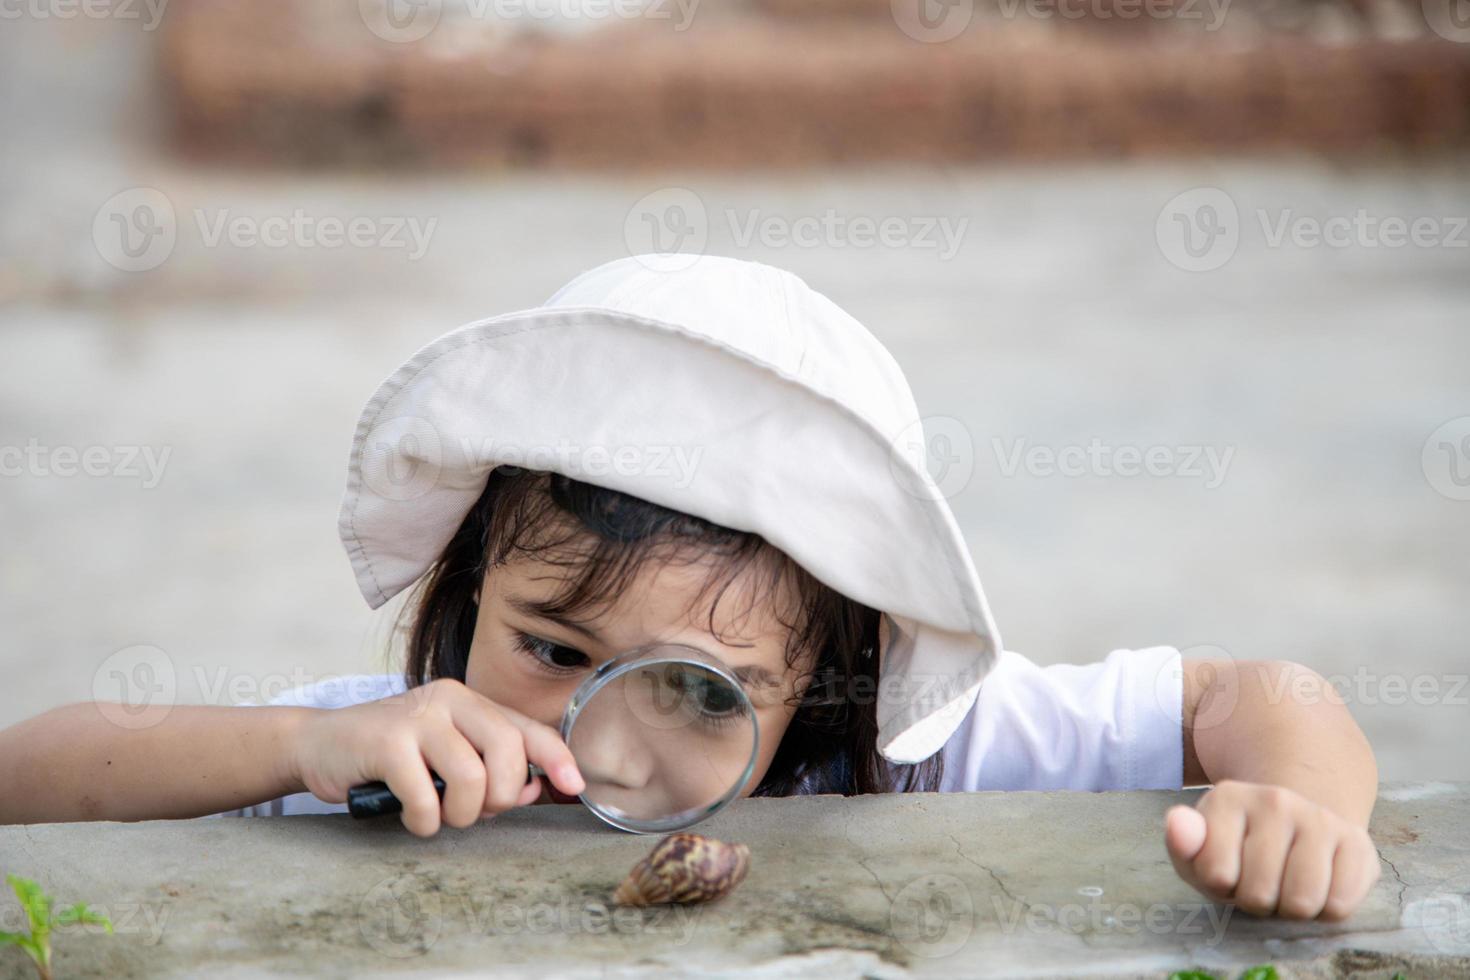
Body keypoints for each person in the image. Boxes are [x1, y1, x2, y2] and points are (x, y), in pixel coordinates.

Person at [0, 255, 1379, 921]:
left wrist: (1301, 816)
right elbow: (33, 774)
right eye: (546, 646)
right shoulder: (395, 757)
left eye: (697, 693)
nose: (596, 740)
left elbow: (1260, 695)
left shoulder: (908, 756)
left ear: (832, 681)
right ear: (467, 586)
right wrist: (300, 743)